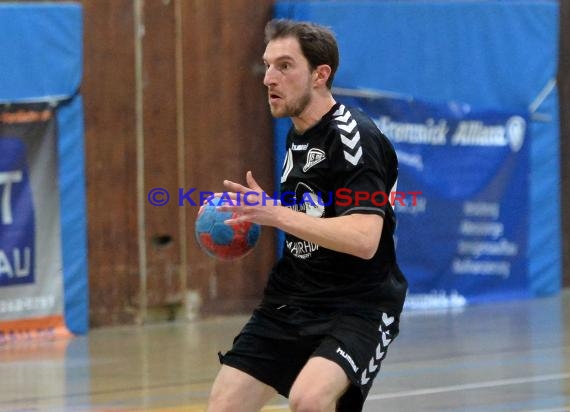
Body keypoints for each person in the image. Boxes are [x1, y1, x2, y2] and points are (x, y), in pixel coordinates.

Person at [205, 18, 408, 412]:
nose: (268, 78)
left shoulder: (354, 138)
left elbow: (365, 240)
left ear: (320, 75)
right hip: (292, 299)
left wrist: (277, 215)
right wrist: (253, 214)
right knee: (224, 404)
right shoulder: (298, 134)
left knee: (309, 400)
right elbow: (308, 215)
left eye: (284, 66)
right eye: (266, 65)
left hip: (359, 305)